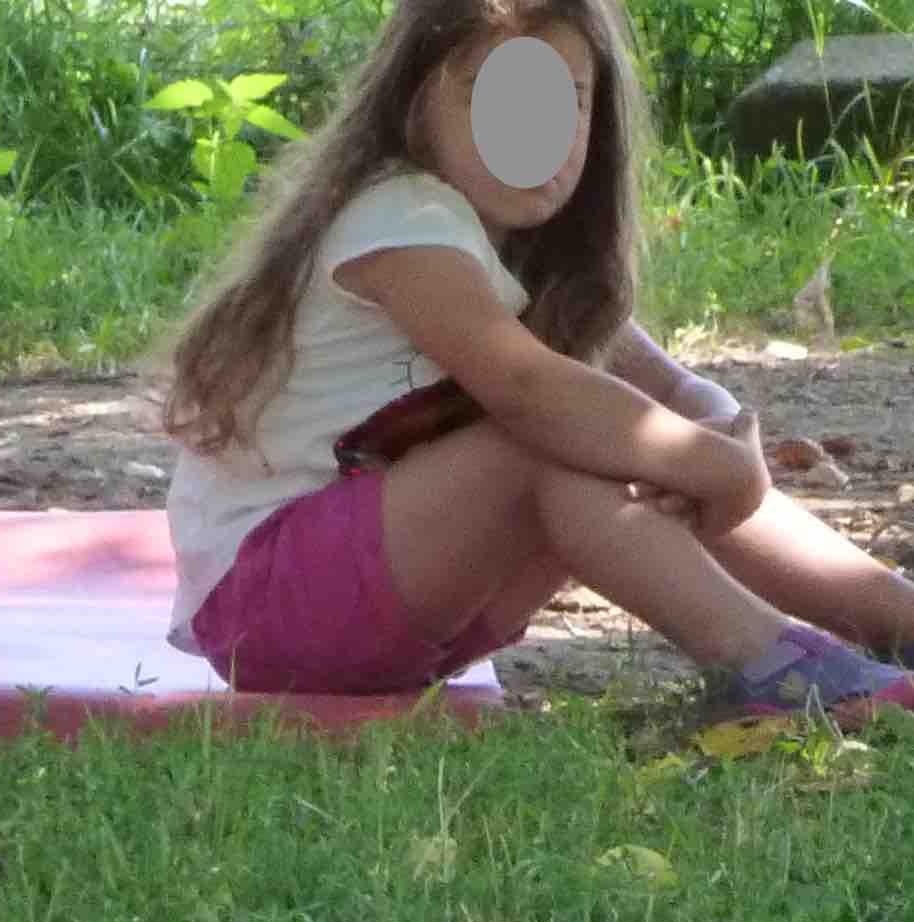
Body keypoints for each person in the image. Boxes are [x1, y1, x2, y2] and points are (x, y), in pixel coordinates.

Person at [161, 0, 914, 719]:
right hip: (266, 604)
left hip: (403, 605)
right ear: (416, 102)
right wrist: (712, 463)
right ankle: (774, 665)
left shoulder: (520, 253)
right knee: (551, 439)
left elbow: (672, 396)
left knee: (617, 435)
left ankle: (895, 616)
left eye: (566, 101)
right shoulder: (398, 220)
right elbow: (528, 390)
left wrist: (723, 439)